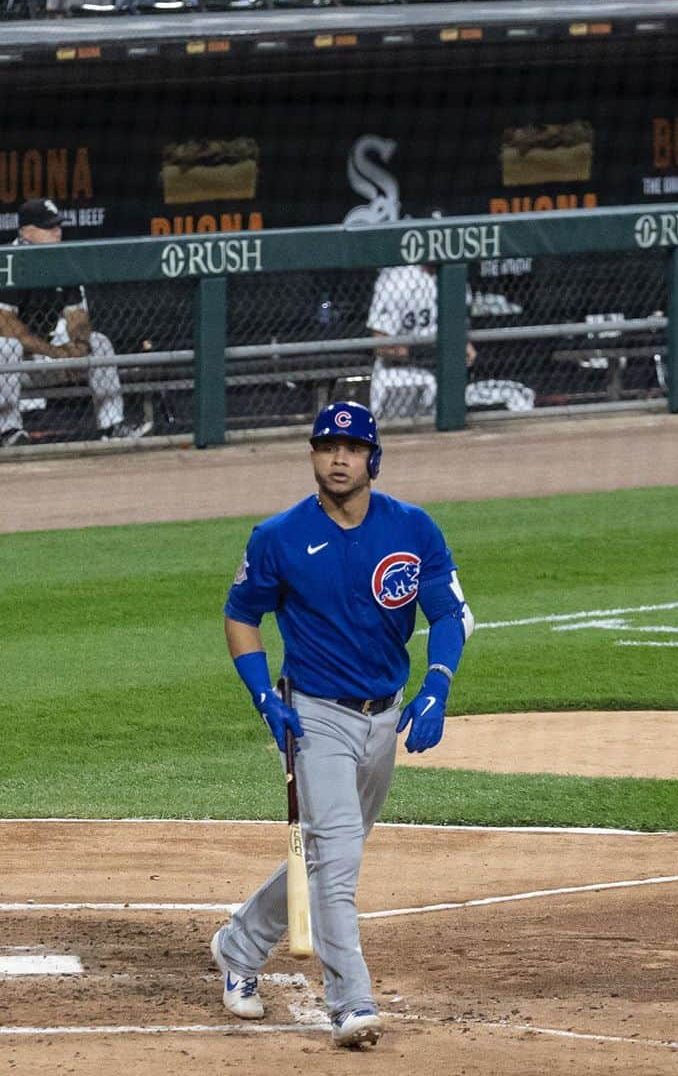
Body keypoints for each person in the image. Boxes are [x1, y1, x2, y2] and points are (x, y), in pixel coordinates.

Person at [213, 400, 473, 1049]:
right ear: (313, 455)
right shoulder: (278, 535)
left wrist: (436, 686)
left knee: (334, 848)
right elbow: (241, 615)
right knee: (337, 862)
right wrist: (263, 699)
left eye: (351, 448)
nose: (337, 457)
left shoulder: (413, 529)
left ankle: (239, 944)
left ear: (372, 459)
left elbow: (448, 614)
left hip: (383, 716)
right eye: (327, 445)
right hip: (314, 716)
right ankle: (351, 1002)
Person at [0, 198, 150, 446]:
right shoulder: (5, 263)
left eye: (58, 225)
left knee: (98, 342)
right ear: (26, 232)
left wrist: (77, 349)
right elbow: (6, 329)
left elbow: (78, 320)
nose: (57, 231)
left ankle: (112, 426)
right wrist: (55, 352)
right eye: (48, 227)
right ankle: (11, 432)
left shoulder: (64, 262)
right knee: (6, 347)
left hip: (38, 360)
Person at [367, 209, 535, 418]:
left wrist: (464, 349)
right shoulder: (396, 280)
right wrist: (430, 353)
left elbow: (459, 332)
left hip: (444, 378)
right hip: (400, 377)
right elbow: (380, 344)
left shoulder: (456, 278)